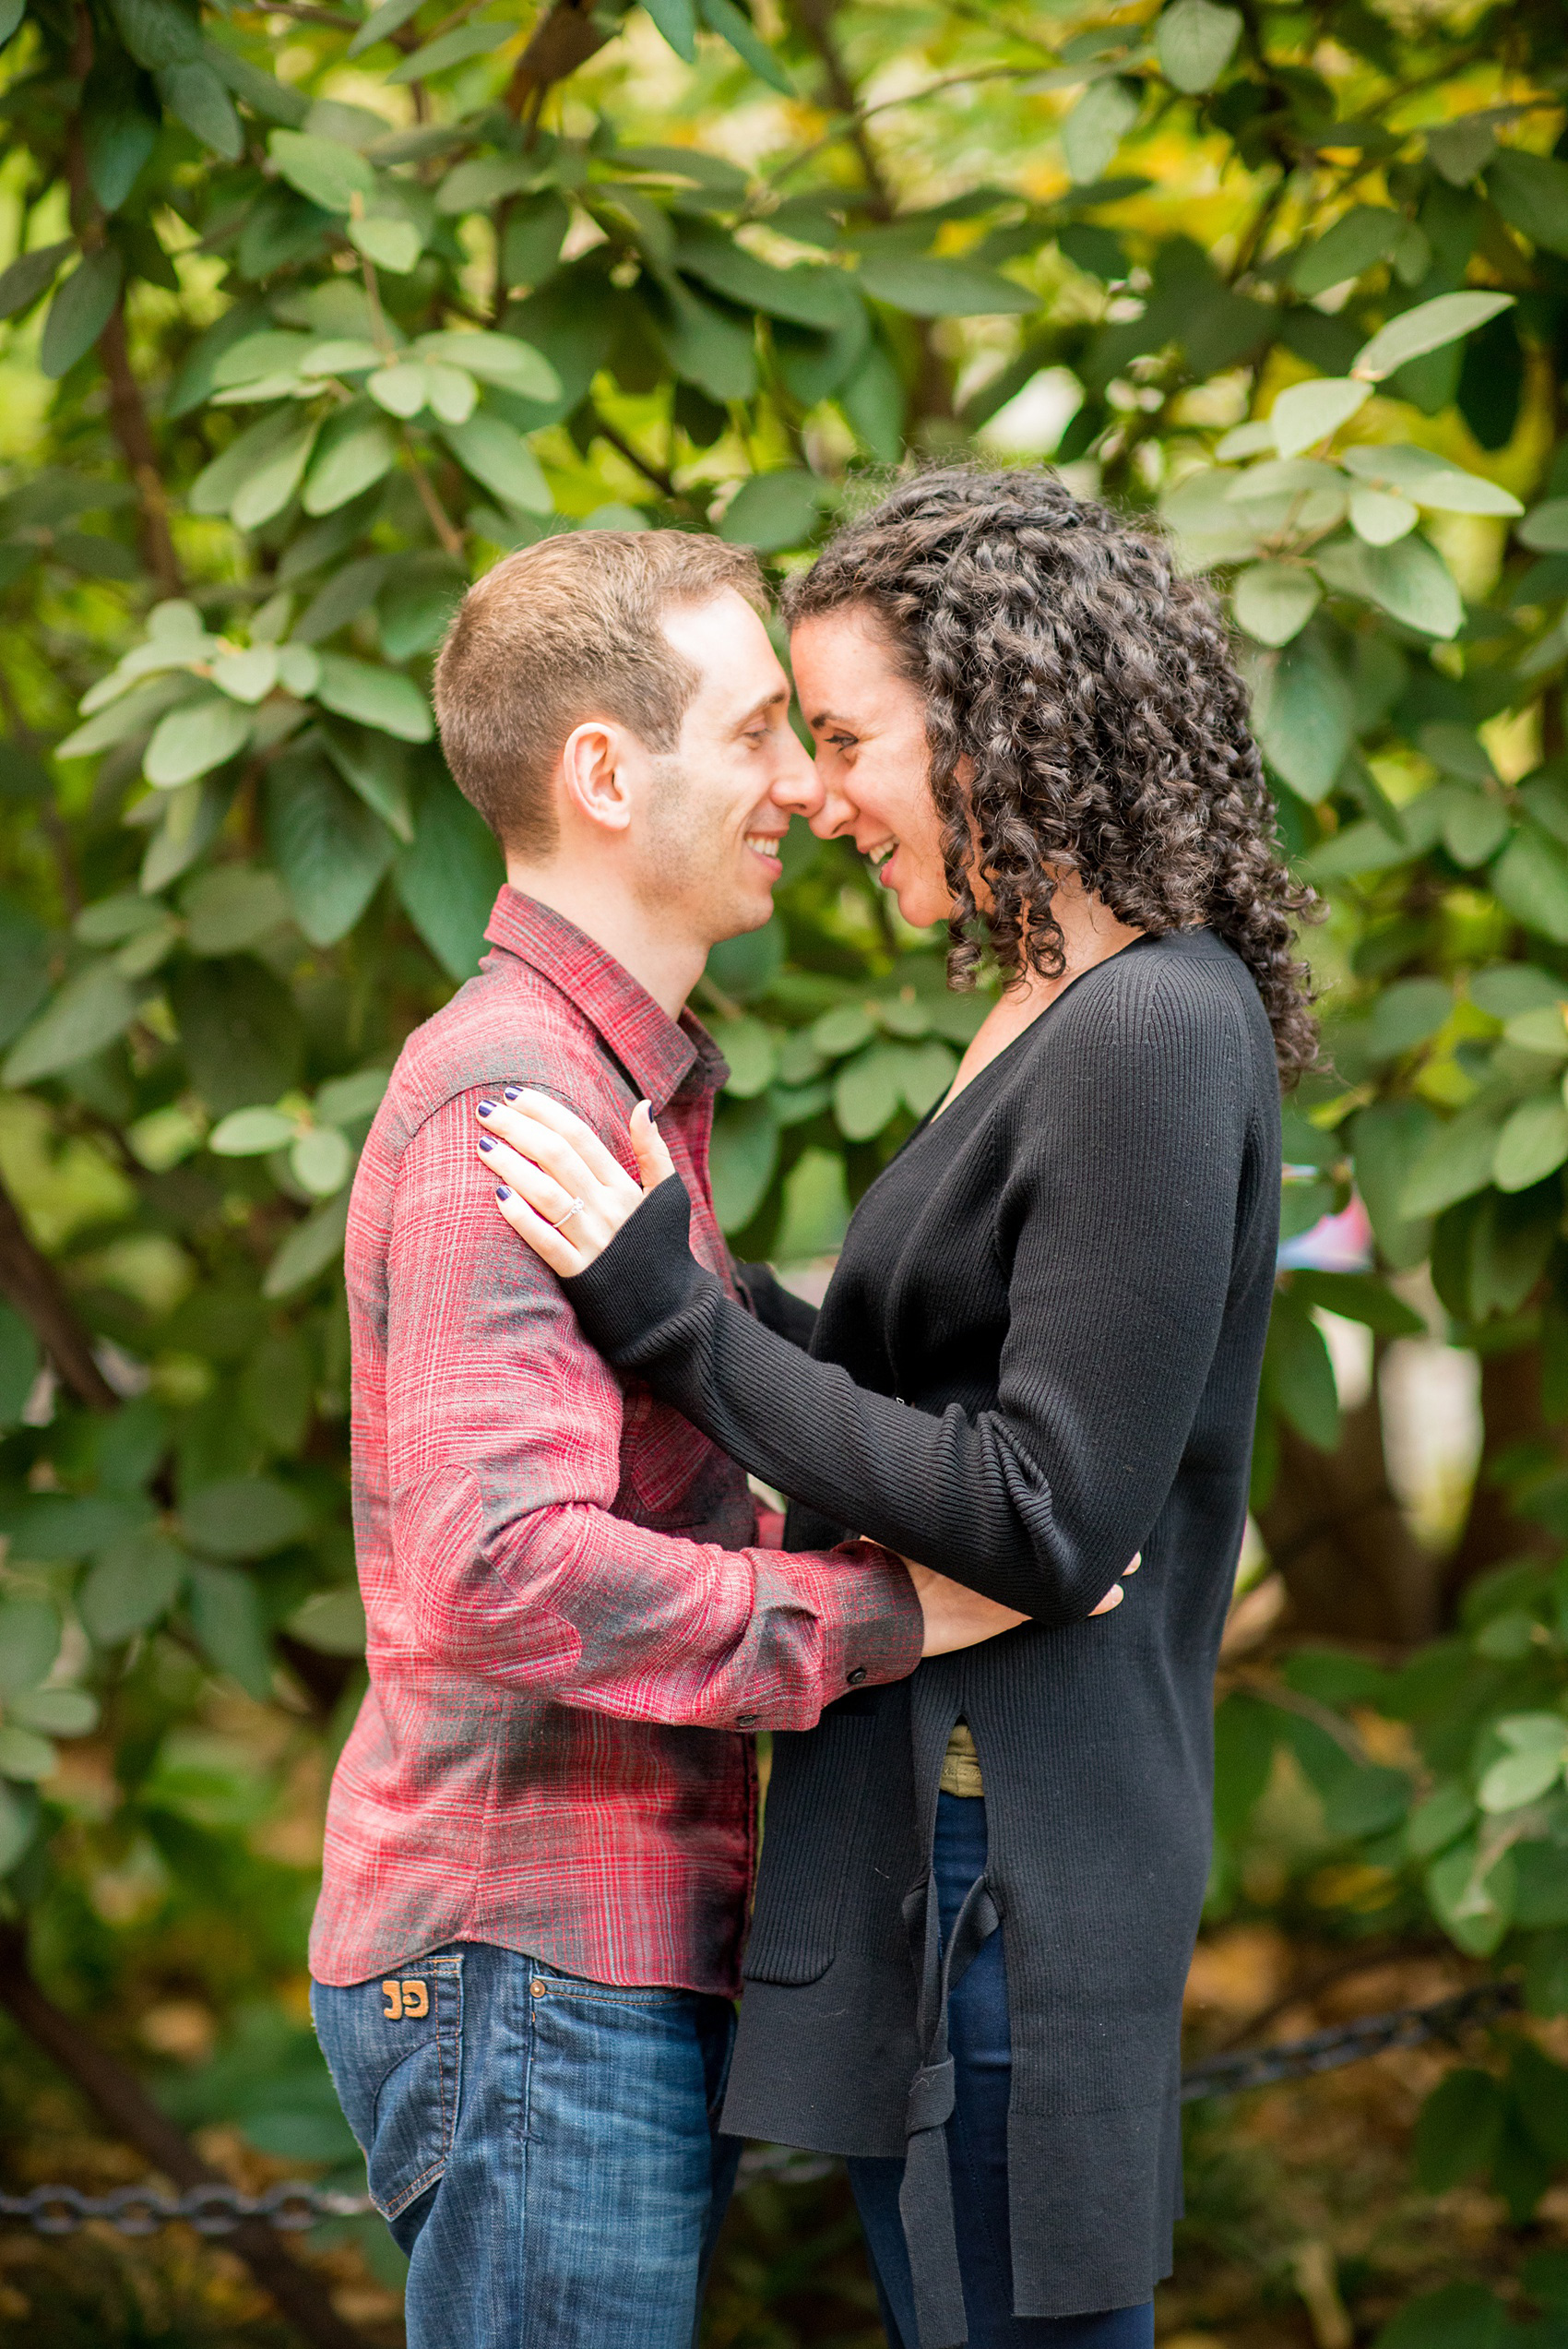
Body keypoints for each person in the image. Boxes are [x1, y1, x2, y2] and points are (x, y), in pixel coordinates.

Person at [471, 468, 1316, 2349]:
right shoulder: (1046, 1001)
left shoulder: (1157, 1024)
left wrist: (676, 1315)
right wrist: (696, 1277)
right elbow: (915, 1376)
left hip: (1000, 1874)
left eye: (845, 738)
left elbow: (1042, 1508)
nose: (816, 793)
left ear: (997, 722)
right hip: (926, 1850)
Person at [306, 529, 1028, 2349]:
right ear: (605, 772)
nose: (801, 781)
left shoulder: (610, 1089)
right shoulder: (513, 1093)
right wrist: (887, 1616)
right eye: (758, 728)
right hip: (525, 1954)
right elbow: (500, 1568)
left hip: (581, 1957)